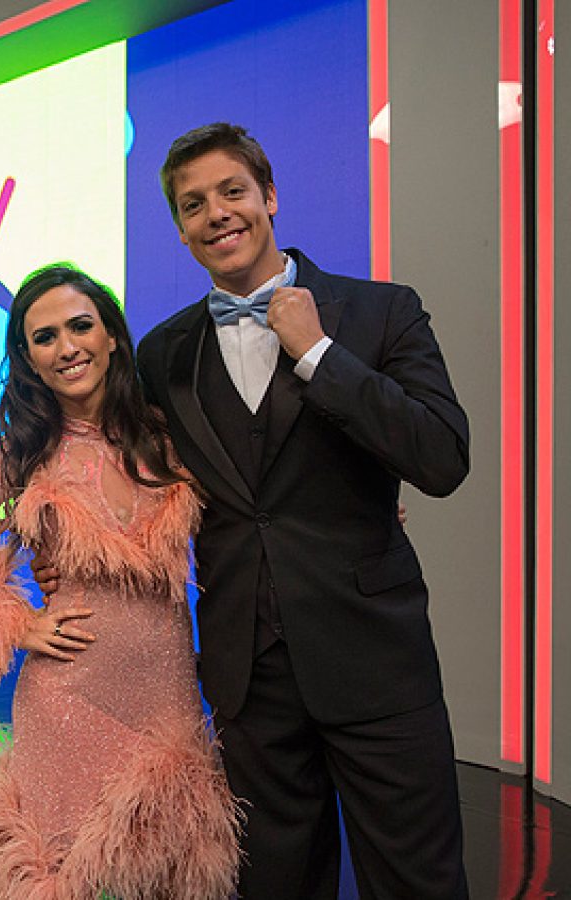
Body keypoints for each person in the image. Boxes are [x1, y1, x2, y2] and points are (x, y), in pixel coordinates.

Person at [40, 122, 468, 898]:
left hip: (375, 663)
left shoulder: (380, 312)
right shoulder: (163, 353)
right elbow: (119, 463)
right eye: (193, 204)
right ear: (180, 230)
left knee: (418, 884)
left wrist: (318, 355)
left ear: (269, 197)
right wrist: (55, 541)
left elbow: (441, 455)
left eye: (232, 191)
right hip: (248, 678)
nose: (216, 214)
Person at [0, 265, 241, 899]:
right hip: (67, 703)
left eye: (80, 326)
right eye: (45, 338)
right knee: (60, 878)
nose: (67, 348)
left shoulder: (166, 437)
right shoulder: (20, 456)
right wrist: (20, 624)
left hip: (166, 704)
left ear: (111, 336)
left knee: (168, 874)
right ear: (29, 361)